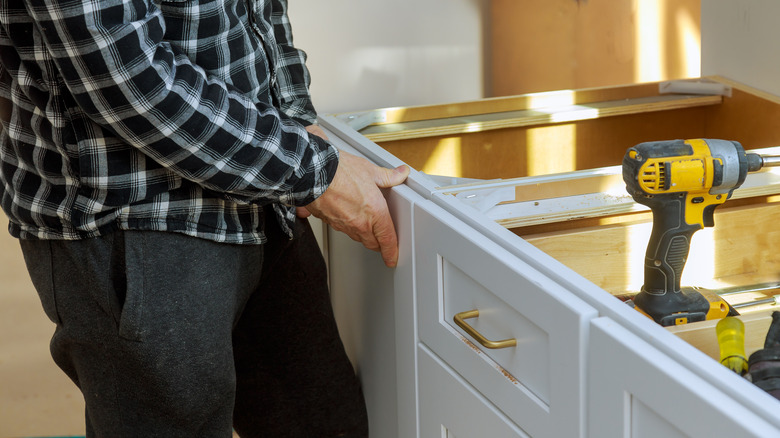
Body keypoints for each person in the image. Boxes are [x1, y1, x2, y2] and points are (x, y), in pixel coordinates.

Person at [0, 0, 409, 436]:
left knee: (326, 422)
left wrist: (294, 118)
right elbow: (128, 80)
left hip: (261, 195)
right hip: (135, 223)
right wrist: (308, 170)